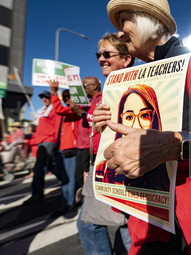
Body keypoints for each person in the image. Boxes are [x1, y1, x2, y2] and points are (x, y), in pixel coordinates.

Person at [94, 1, 191, 254]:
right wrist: (107, 126)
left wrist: (174, 146)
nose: (120, 33)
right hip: (146, 216)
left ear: (149, 21)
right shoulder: (132, 80)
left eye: (124, 22)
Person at [74, 33, 134, 255]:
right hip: (100, 166)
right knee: (93, 223)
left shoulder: (130, 88)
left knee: (127, 230)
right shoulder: (108, 91)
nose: (100, 58)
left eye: (107, 54)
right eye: (99, 54)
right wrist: (91, 167)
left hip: (121, 168)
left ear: (126, 59)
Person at [95, 84, 170, 191]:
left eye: (144, 115)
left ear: (155, 119)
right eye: (129, 117)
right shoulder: (103, 170)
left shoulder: (170, 169)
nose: (136, 124)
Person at [24, 91, 62, 204]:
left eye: (46, 97)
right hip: (42, 142)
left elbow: (57, 127)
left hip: (48, 141)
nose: (44, 99)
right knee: (51, 166)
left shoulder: (54, 109)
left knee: (39, 168)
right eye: (42, 97)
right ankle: (71, 184)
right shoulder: (43, 111)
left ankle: (37, 193)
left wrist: (55, 141)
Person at [50, 84, 82, 210]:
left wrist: (54, 93)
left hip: (72, 149)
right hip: (61, 148)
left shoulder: (76, 109)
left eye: (69, 96)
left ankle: (69, 204)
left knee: (70, 178)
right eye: (64, 97)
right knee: (64, 177)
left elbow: (58, 109)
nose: (67, 99)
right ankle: (69, 201)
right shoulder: (65, 112)